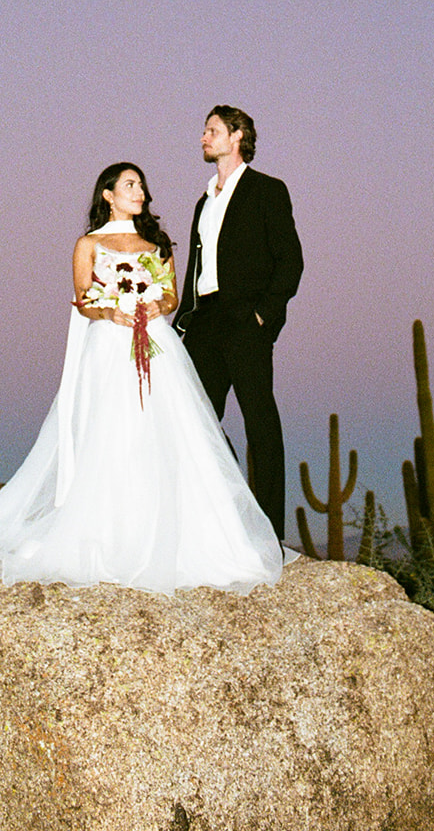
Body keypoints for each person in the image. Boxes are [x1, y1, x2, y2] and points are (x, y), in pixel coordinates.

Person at [0, 161, 282, 603]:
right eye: (130, 184)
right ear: (108, 195)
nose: (139, 191)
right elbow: (84, 298)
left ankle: (177, 532)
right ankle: (109, 532)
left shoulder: (157, 243)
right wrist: (111, 310)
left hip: (157, 345)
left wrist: (153, 306)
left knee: (167, 432)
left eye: (142, 184)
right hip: (110, 346)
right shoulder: (87, 244)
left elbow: (171, 294)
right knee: (113, 432)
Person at [174, 107, 303, 542]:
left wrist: (264, 315)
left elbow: (290, 260)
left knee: (260, 424)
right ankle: (217, 522)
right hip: (205, 323)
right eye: (204, 129)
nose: (203, 137)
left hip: (246, 321)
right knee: (197, 424)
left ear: (237, 135)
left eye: (212, 130)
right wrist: (182, 324)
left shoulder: (267, 190)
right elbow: (196, 268)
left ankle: (268, 533)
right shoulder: (203, 201)